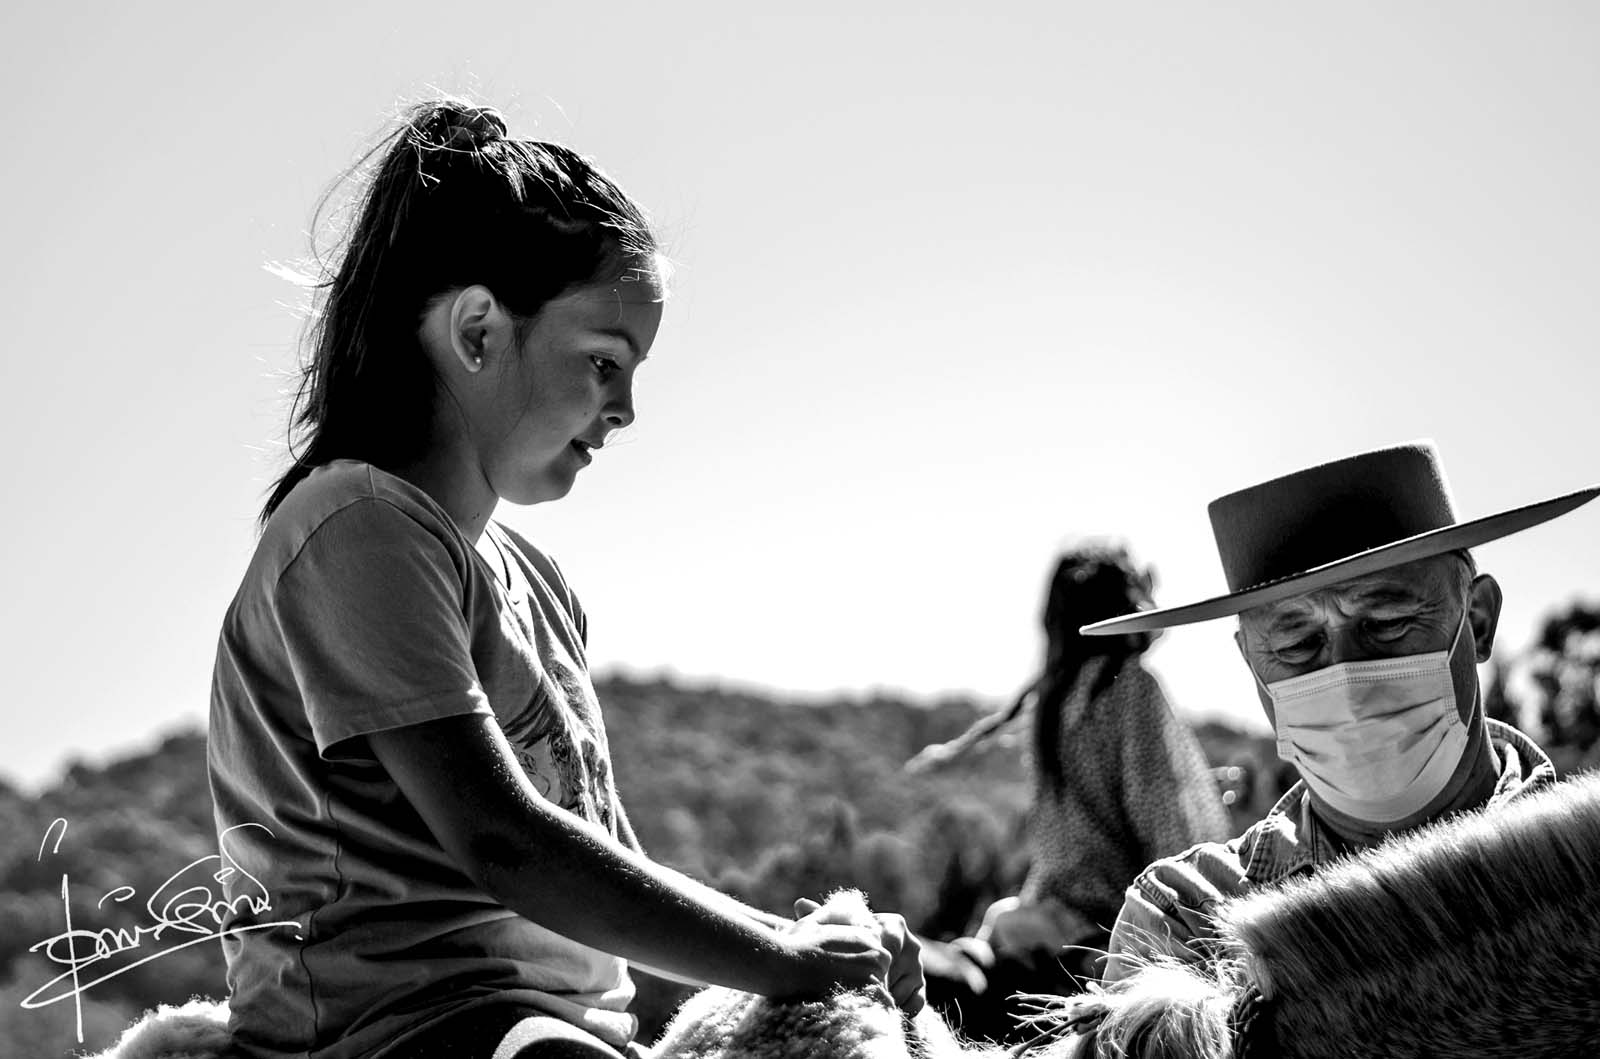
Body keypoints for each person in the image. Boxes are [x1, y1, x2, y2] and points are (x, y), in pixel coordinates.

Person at [207, 98, 922, 1059]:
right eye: (602, 361)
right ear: (476, 332)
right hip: (403, 1032)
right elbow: (506, 841)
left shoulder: (536, 582)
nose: (625, 408)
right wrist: (784, 958)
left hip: (559, 1030)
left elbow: (604, 861)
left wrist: (820, 949)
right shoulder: (357, 523)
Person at [1080, 440, 1596, 982]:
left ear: (1478, 620)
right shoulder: (1186, 923)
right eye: (1298, 645)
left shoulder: (1586, 865)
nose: (1346, 676)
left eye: (1387, 623)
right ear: (1251, 663)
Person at [907, 544, 1230, 1041]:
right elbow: (1173, 836)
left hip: (1033, 922)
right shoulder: (1130, 688)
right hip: (1102, 941)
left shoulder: (1054, 697)